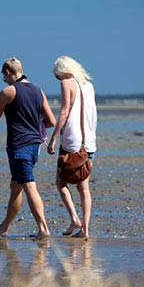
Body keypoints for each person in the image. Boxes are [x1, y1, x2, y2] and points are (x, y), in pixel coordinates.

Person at [0, 57, 56, 240]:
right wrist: (33, 122)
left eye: (4, 77)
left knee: (29, 185)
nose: (4, 80)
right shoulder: (38, 91)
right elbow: (51, 121)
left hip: (19, 146)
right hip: (34, 145)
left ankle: (43, 229)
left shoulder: (8, 92)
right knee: (16, 186)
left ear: (8, 72)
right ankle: (4, 227)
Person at [47, 56, 97, 239]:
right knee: (84, 187)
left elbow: (64, 111)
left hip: (71, 141)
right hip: (89, 142)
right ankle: (85, 229)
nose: (59, 80)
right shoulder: (88, 85)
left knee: (61, 182)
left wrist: (53, 138)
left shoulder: (67, 82)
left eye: (57, 76)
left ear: (62, 72)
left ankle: (74, 219)